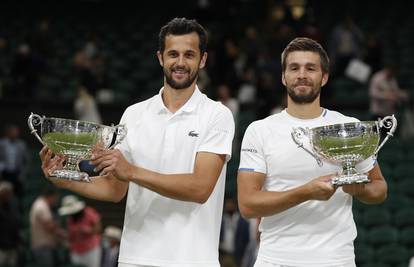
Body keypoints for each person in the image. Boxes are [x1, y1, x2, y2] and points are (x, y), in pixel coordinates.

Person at [39, 17, 235, 267]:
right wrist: (64, 178)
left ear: (203, 60)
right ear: (160, 58)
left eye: (189, 54)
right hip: (135, 258)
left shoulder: (217, 115)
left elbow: (200, 188)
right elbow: (114, 189)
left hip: (193, 259)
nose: (180, 62)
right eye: (173, 54)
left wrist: (131, 171)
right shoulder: (133, 114)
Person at [237, 37, 388, 267]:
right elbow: (248, 204)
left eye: (311, 68)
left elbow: (380, 188)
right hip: (277, 259)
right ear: (283, 76)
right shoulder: (260, 130)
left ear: (324, 77)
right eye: (294, 68)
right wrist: (306, 192)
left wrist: (359, 189)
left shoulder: (348, 127)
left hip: (336, 260)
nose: (302, 75)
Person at [58, 195, 102, 267]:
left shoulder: (88, 212)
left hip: (91, 249)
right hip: (76, 250)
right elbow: (70, 236)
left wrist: (88, 231)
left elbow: (98, 228)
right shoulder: (69, 218)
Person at [30, 187, 66, 267]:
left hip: (44, 247)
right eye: (55, 198)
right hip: (43, 247)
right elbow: (50, 227)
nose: (55, 201)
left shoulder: (40, 204)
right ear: (51, 196)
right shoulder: (41, 207)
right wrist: (64, 235)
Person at [0, 181, 20, 267]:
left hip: (12, 246)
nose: (10, 195)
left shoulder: (12, 207)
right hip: (1, 248)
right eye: (8, 193)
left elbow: (14, 224)